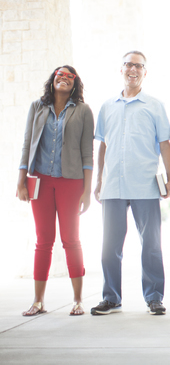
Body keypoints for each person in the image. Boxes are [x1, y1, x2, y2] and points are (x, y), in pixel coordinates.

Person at [91, 51, 170, 315]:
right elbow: (103, 145)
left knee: (151, 245)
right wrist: (98, 179)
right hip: (113, 185)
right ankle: (111, 297)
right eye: (128, 64)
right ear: (121, 69)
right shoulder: (107, 106)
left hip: (145, 186)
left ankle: (154, 297)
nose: (133, 69)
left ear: (145, 73)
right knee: (109, 246)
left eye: (139, 66)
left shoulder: (155, 105)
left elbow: (165, 143)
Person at [18, 66, 94, 316]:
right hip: (39, 180)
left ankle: (78, 300)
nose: (63, 78)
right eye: (59, 75)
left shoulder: (83, 111)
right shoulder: (37, 107)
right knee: (43, 240)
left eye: (69, 76)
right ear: (52, 80)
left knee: (71, 240)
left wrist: (87, 189)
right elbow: (27, 143)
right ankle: (38, 301)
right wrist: (21, 180)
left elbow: (87, 153)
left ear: (75, 83)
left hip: (71, 182)